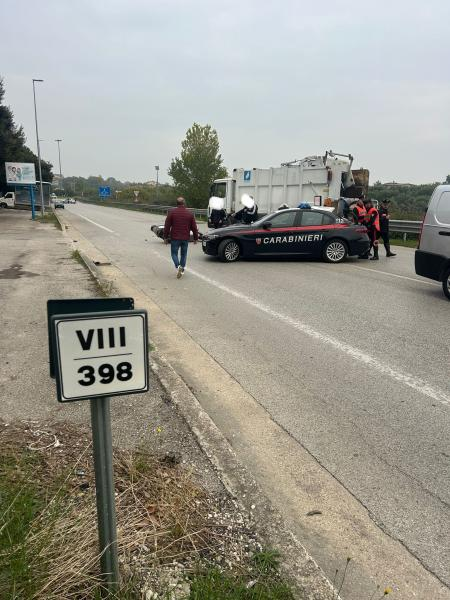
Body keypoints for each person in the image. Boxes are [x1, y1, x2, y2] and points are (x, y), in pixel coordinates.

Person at [164, 197, 199, 278]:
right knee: (184, 254)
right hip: (185, 238)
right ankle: (182, 268)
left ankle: (178, 266)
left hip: (175, 238)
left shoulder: (172, 213)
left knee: (174, 253)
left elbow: (167, 226)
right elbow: (194, 227)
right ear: (184, 203)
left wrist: (165, 237)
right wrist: (195, 238)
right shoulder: (190, 214)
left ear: (176, 203)